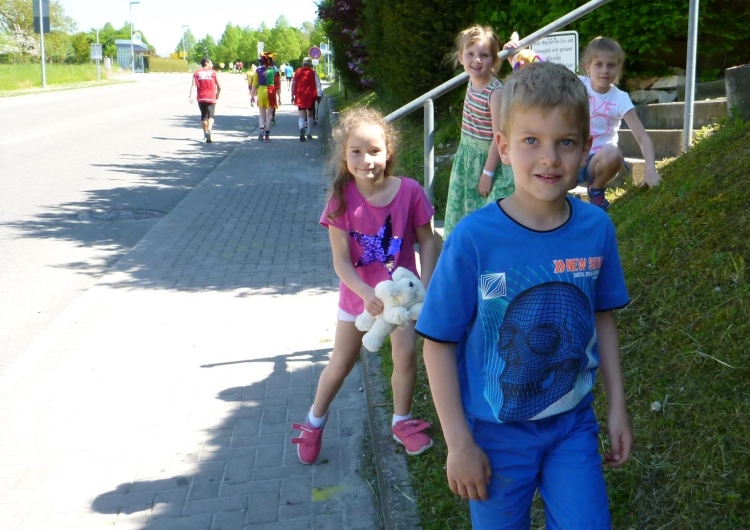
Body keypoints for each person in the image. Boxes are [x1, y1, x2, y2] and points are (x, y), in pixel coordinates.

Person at [416, 62, 633, 529]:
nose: (549, 158)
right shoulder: (473, 239)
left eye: (565, 142)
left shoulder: (596, 228)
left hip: (573, 428)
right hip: (494, 437)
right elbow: (438, 343)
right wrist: (459, 442)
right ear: (503, 146)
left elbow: (603, 318)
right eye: (531, 140)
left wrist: (617, 407)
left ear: (587, 147)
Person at [291, 107, 438, 465]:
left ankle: (401, 421)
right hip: (359, 298)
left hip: (402, 298)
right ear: (344, 155)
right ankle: (313, 422)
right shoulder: (340, 200)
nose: (366, 160)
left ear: (388, 151)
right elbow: (341, 261)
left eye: (374, 150)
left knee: (406, 355)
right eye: (356, 152)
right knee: (341, 362)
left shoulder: (410, 191)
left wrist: (428, 287)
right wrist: (365, 293)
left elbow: (428, 240)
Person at [443, 25, 515, 239]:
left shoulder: (495, 93)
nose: (477, 60)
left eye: (484, 55)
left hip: (488, 161)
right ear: (461, 57)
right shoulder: (472, 80)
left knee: (484, 217)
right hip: (468, 158)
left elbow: (499, 136)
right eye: (470, 54)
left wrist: (488, 173)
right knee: (463, 212)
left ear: (493, 60)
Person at [579, 37, 661, 210]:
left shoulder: (620, 98)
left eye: (611, 65)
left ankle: (596, 189)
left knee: (614, 154)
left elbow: (643, 138)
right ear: (587, 67)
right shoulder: (578, 85)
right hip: (572, 155)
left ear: (618, 69)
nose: (605, 70)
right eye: (598, 64)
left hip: (599, 160)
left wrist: (650, 170)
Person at [188, 57, 221, 143]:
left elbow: (193, 85)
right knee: (211, 116)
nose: (212, 64)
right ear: (206, 63)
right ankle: (209, 130)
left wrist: (191, 96)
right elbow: (219, 86)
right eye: (210, 62)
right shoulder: (213, 72)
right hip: (211, 97)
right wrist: (217, 94)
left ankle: (205, 134)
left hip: (201, 97)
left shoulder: (196, 72)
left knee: (204, 116)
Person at [251, 53, 281, 142]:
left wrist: (252, 96)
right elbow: (278, 86)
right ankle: (267, 136)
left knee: (261, 114)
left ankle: (261, 130)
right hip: (271, 92)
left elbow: (254, 85)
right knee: (269, 116)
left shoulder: (258, 71)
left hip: (261, 91)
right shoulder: (275, 71)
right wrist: (279, 97)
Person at [291, 58, 318, 141]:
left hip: (300, 96)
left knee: (301, 115)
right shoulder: (312, 73)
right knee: (310, 115)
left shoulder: (298, 72)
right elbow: (316, 85)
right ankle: (309, 134)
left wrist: (292, 95)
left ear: (303, 63)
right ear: (310, 64)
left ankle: (302, 128)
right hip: (310, 96)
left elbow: (293, 84)